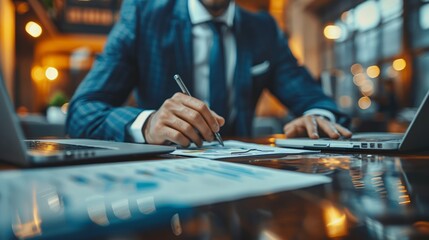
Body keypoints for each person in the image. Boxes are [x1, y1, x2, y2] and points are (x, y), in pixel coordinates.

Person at [66, 0, 352, 147]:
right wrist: (148, 124)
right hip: (162, 190)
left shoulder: (263, 29)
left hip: (245, 186)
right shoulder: (143, 15)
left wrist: (318, 120)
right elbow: (82, 111)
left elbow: (316, 100)